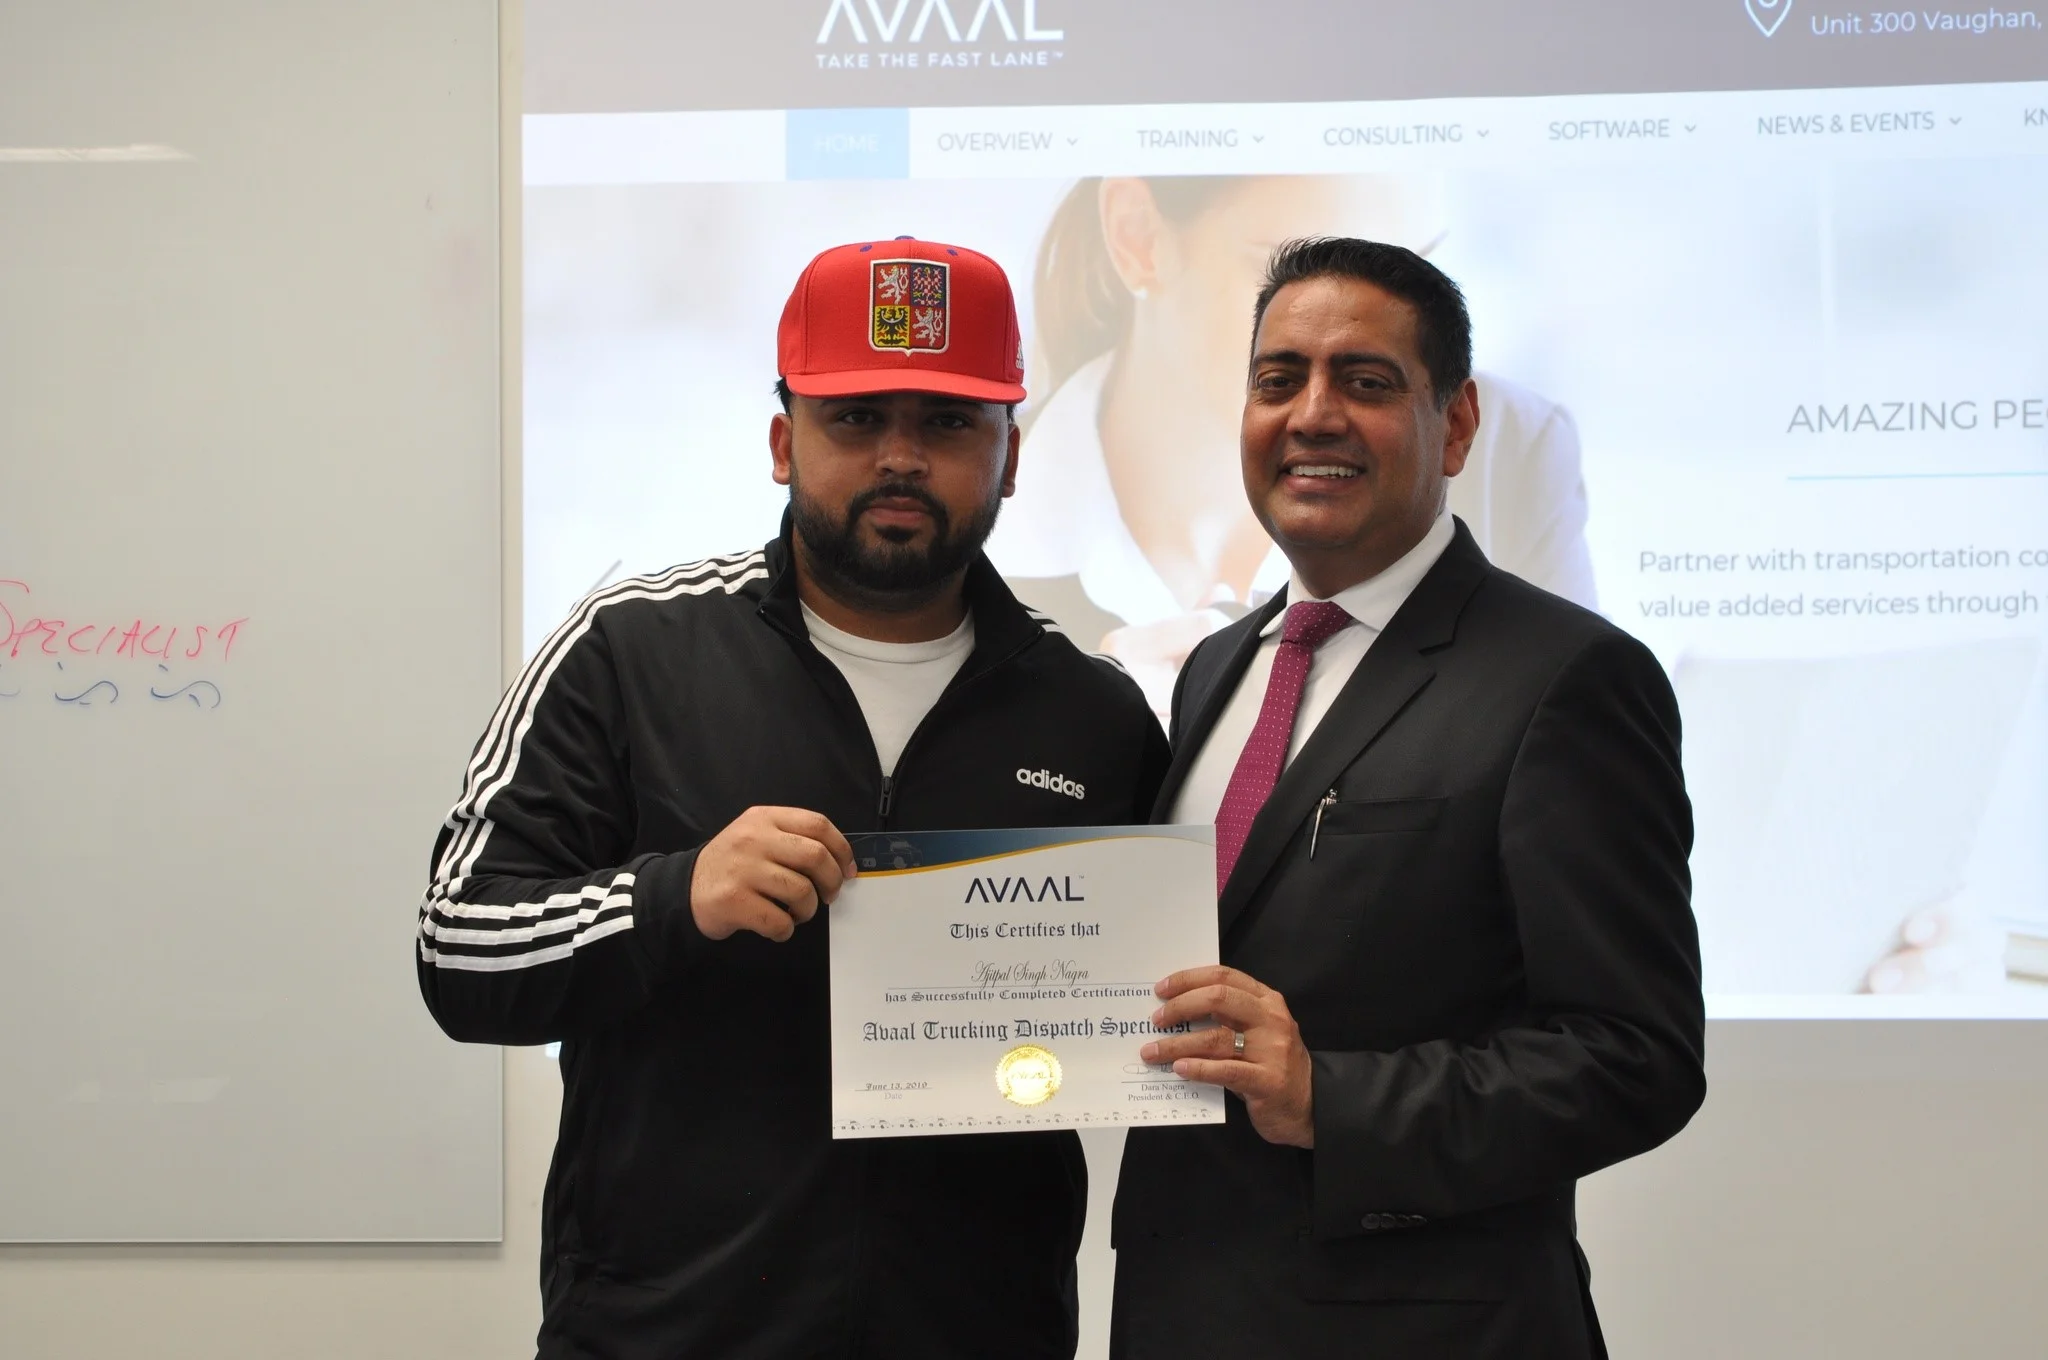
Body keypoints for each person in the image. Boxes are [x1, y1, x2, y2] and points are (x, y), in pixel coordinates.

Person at [416, 237, 1169, 1359]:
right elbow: (456, 947)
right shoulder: (631, 653)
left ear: (1011, 456)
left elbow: (1157, 998)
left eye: (948, 422)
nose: (900, 457)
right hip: (665, 1335)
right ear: (783, 444)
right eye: (856, 418)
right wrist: (672, 898)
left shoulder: (1095, 714)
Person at [1109, 238, 1705, 1358]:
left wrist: (1328, 1100)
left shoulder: (1566, 678)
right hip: (1179, 1309)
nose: (1312, 415)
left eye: (1366, 381)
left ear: (1457, 423)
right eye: (1277, 379)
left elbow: (1636, 1056)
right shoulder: (1214, 669)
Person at [989, 175, 1597, 715]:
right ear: (1137, 235)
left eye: (1416, 272)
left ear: (1458, 425)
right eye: (1294, 272)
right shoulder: (977, 509)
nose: (1315, 417)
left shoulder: (1515, 450)